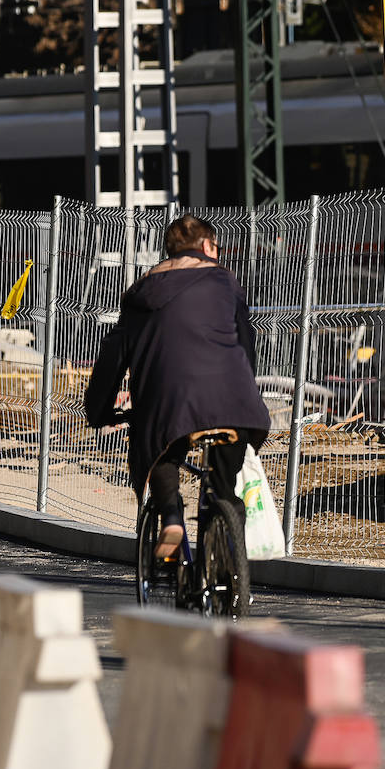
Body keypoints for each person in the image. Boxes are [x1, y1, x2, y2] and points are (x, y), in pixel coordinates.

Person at [84, 214, 270, 559]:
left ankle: (171, 517)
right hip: (235, 402)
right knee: (223, 486)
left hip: (166, 404)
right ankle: (227, 545)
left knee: (160, 453)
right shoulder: (226, 283)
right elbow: (246, 343)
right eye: (217, 247)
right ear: (206, 246)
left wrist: (97, 410)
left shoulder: (141, 292)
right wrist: (243, 393)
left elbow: (114, 356)